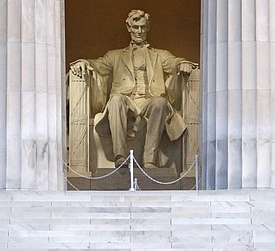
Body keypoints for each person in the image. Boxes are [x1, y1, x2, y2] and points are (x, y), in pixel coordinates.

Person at [70, 9, 197, 168]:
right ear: (129, 28)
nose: (139, 31)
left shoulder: (160, 55)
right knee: (115, 100)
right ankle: (120, 156)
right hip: (126, 101)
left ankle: (149, 159)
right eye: (136, 27)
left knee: (160, 102)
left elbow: (173, 62)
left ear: (147, 28)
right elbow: (98, 65)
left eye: (143, 27)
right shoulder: (115, 55)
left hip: (148, 101)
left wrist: (182, 63)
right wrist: (84, 63)